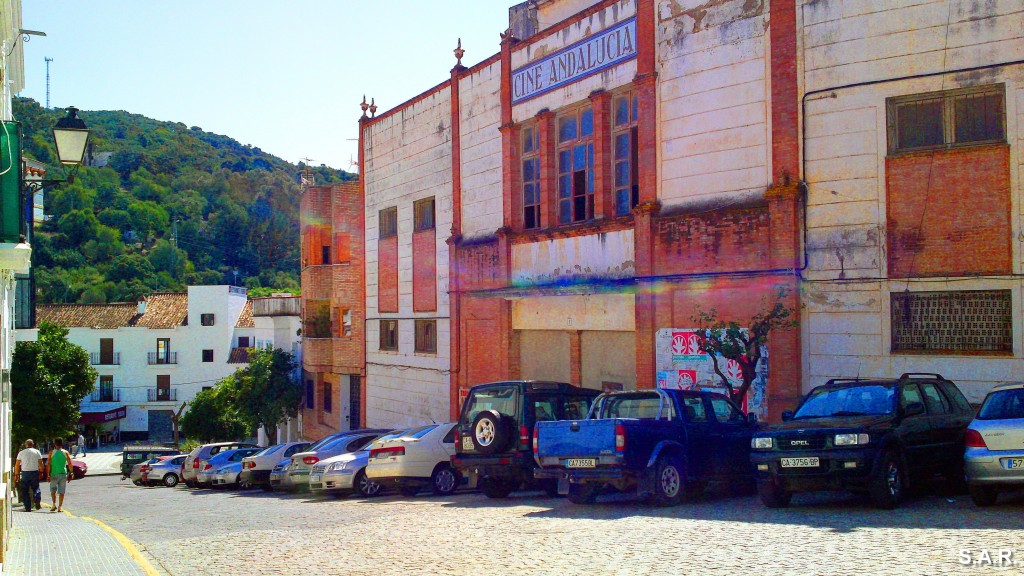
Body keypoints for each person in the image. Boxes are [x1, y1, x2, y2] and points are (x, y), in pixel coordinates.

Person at [14, 440, 42, 512]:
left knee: (25, 491)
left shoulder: (21, 453)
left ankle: (27, 507)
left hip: (25, 473)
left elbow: (17, 465)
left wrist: (16, 474)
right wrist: (41, 472)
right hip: (35, 473)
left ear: (25, 445)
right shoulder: (37, 452)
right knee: (36, 488)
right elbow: (41, 463)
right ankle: (37, 501)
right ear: (32, 444)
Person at [47, 438, 73, 513]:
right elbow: (70, 463)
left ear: (54, 444)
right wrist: (71, 472)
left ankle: (54, 504)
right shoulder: (66, 452)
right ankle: (60, 506)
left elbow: (48, 464)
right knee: (61, 491)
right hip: (63, 474)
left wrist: (48, 474)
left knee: (53, 490)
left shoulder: (51, 453)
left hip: (54, 474)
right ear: (62, 444)